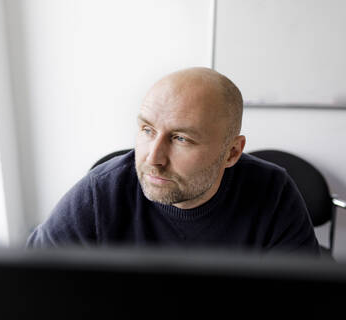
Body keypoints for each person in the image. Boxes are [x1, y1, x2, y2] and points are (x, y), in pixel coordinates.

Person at [27, 67, 320, 256]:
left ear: (231, 153)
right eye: (147, 130)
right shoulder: (102, 191)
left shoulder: (273, 192)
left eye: (181, 139)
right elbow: (31, 280)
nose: (153, 158)